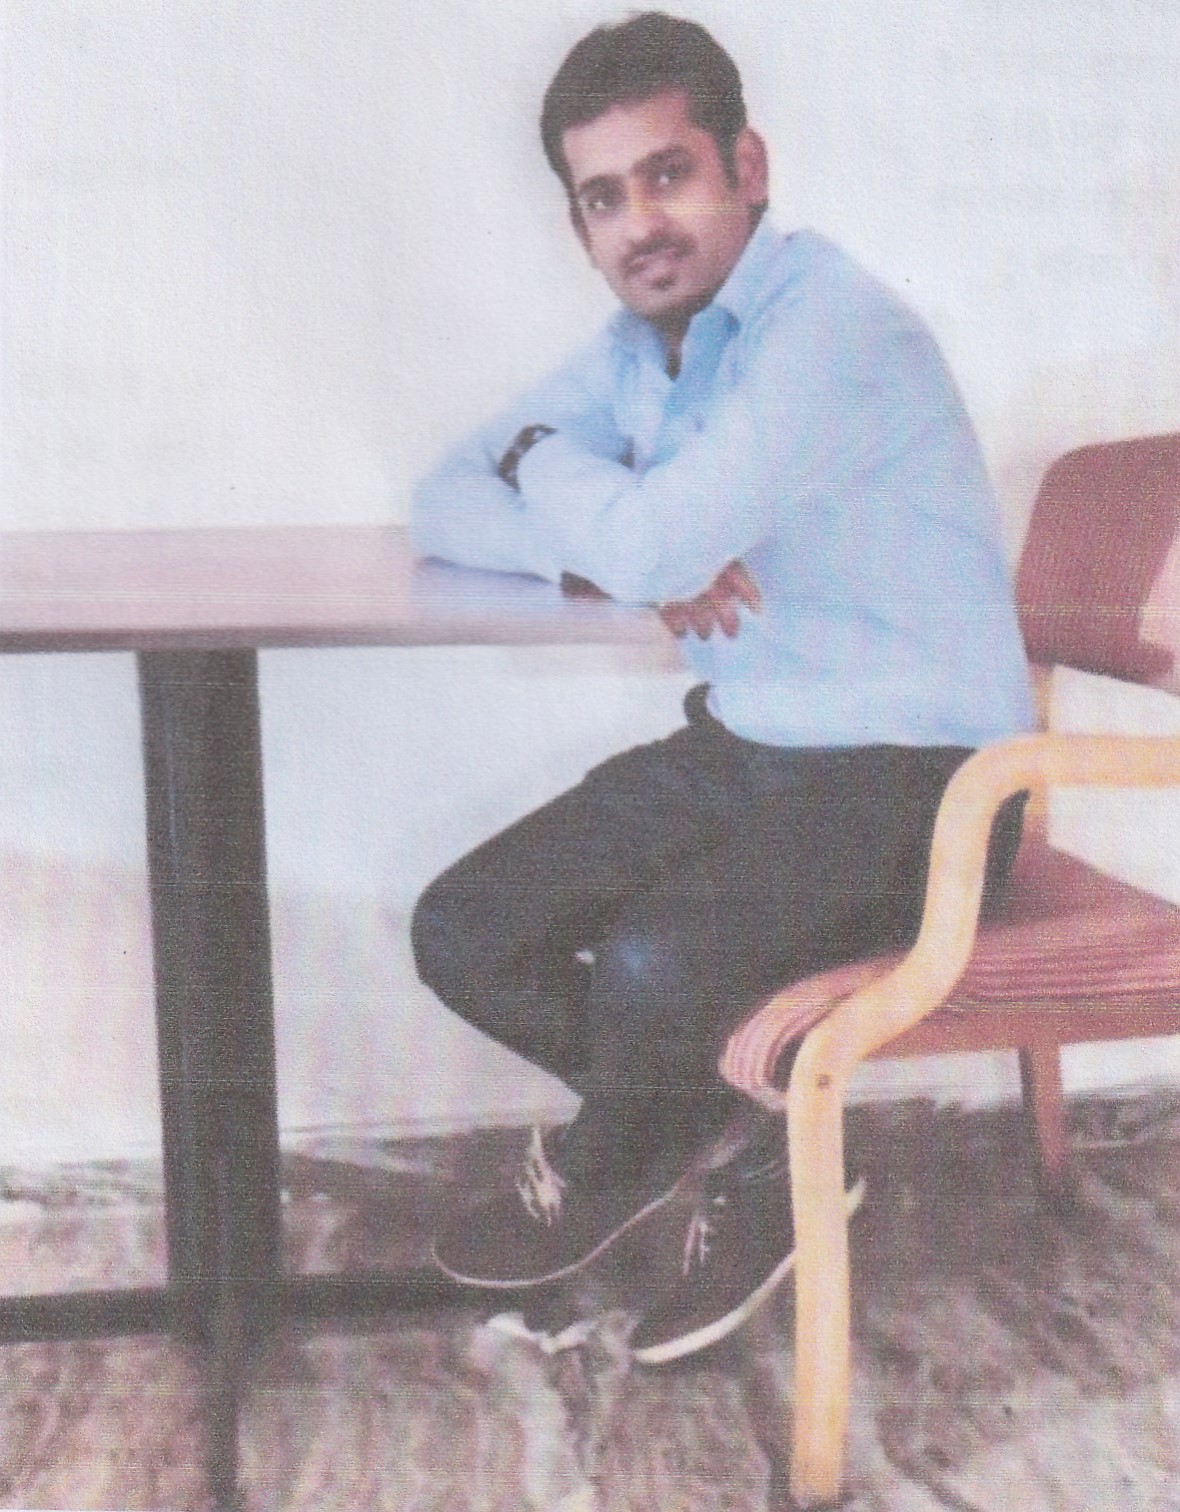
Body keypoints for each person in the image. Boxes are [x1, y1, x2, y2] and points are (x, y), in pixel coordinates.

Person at [409, 12, 1033, 1362]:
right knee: (464, 928)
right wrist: (610, 547)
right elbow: (442, 502)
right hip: (748, 751)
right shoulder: (638, 350)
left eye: (669, 173)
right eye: (604, 197)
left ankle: (625, 1156)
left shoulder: (834, 325)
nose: (642, 223)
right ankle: (757, 1145)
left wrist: (562, 477)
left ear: (747, 166)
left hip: (930, 784)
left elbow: (639, 536)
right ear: (579, 225)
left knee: (652, 966)